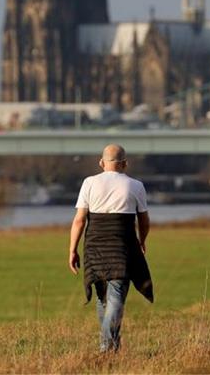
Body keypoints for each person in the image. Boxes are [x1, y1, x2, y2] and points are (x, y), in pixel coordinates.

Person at [68, 144, 153, 353]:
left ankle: (111, 348)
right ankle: (107, 347)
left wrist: (72, 249)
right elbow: (144, 220)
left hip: (94, 246)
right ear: (125, 164)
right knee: (115, 296)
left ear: (101, 163)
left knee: (103, 296)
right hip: (122, 246)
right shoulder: (136, 185)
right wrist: (142, 240)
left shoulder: (89, 183)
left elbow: (79, 220)